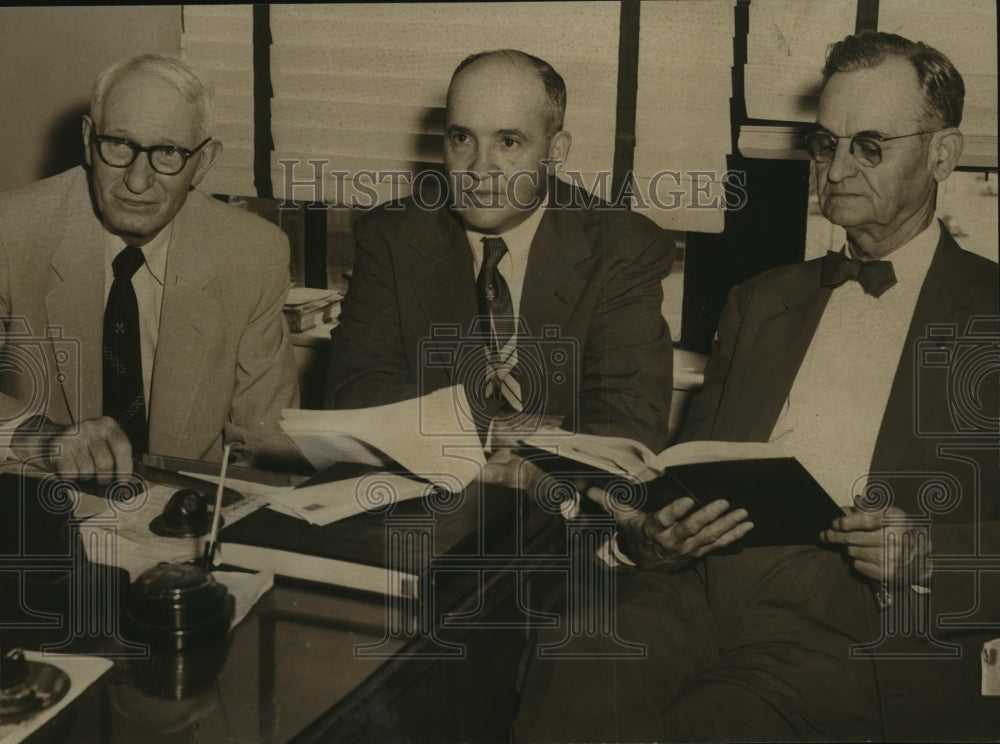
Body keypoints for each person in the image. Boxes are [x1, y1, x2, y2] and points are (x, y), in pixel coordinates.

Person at [514, 31, 999, 742]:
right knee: (575, 661)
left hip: (855, 621)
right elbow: (686, 473)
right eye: (825, 143)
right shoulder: (760, 299)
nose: (835, 168)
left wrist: (930, 556)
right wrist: (655, 531)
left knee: (714, 725)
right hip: (699, 585)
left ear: (943, 154)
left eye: (869, 146)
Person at [326, 50, 675, 459]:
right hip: (426, 492)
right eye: (462, 138)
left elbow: (626, 420)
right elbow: (353, 394)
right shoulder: (391, 234)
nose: (479, 168)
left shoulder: (623, 246)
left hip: (560, 506)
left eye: (508, 142)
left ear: (556, 150)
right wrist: (493, 429)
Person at [0, 55, 298, 482]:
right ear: (88, 140)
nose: (138, 182)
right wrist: (42, 439)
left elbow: (268, 445)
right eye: (119, 144)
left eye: (168, 152)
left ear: (205, 161)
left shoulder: (253, 254)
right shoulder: (12, 231)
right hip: (42, 511)